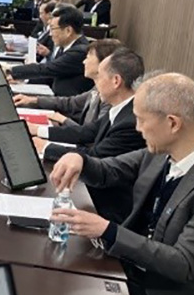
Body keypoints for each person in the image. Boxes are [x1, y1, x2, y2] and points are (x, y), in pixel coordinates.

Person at [50, 72, 194, 295]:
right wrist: (79, 159)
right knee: (61, 274)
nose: (137, 127)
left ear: (172, 123)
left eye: (141, 120)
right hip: (132, 268)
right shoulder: (161, 153)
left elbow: (183, 264)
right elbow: (109, 170)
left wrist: (109, 231)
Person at [32, 48, 146, 222]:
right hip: (92, 191)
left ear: (116, 81)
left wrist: (46, 147)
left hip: (106, 207)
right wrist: (39, 130)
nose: (95, 83)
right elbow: (86, 132)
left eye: (99, 76)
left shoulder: (131, 121)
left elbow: (95, 157)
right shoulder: (120, 108)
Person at [13, 39, 121, 127]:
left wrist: (63, 120)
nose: (84, 62)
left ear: (104, 63)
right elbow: (70, 103)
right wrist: (33, 100)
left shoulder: (110, 98)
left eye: (88, 57)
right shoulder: (96, 90)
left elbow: (91, 137)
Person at [8, 5, 94, 96]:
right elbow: (50, 76)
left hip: (65, 102)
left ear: (68, 31)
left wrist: (10, 71)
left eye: (52, 29)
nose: (50, 34)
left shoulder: (79, 52)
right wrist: (24, 81)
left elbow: (47, 69)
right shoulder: (66, 47)